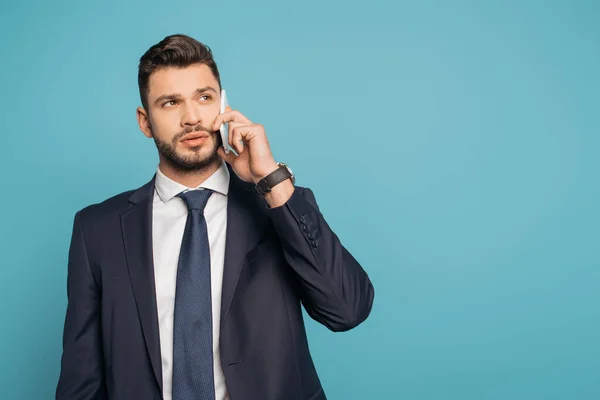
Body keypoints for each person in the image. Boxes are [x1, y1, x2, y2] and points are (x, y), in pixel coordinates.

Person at [55, 33, 374, 400]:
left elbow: (348, 310)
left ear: (224, 104)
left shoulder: (277, 207)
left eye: (204, 98)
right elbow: (81, 379)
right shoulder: (97, 229)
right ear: (145, 121)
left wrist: (271, 180)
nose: (192, 118)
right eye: (170, 103)